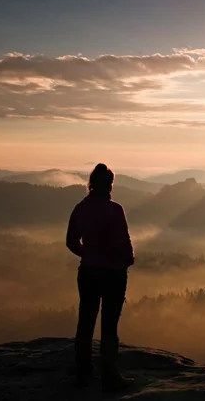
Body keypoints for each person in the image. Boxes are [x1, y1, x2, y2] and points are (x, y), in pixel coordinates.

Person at [66, 163, 135, 392]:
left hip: (88, 272)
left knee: (85, 322)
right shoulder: (115, 209)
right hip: (113, 274)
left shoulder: (80, 208)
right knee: (109, 325)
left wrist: (89, 254)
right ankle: (109, 376)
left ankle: (82, 374)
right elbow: (125, 245)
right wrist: (127, 259)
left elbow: (71, 242)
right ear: (109, 184)